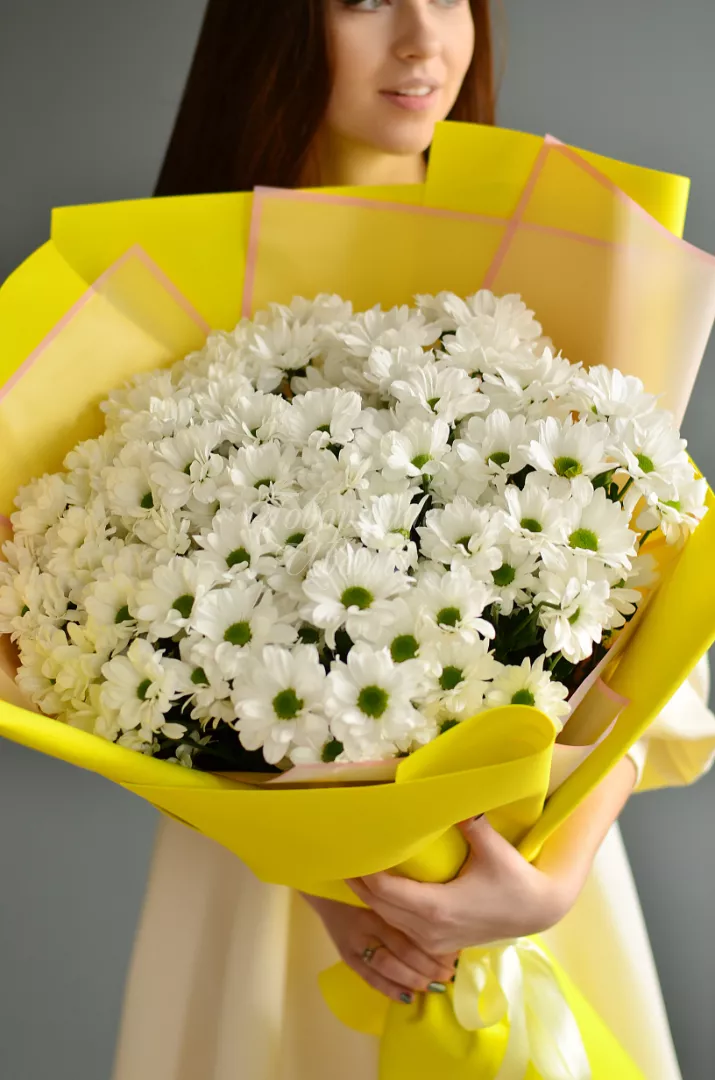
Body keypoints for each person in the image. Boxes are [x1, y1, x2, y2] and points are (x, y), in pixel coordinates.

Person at [113, 3, 715, 1078]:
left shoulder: (552, 245)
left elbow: (638, 617)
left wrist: (548, 881)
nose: (421, 41)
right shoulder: (157, 283)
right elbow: (116, 658)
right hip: (267, 896)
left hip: (520, 867)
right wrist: (325, 881)